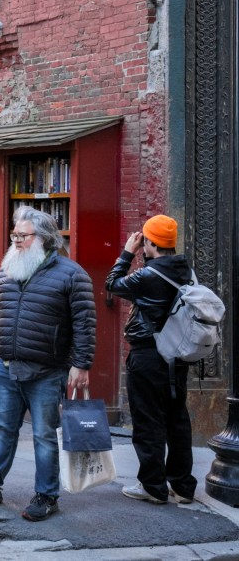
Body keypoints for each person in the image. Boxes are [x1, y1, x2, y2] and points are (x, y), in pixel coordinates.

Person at [0, 206, 95, 522]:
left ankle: (47, 496)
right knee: (4, 429)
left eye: (22, 235)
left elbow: (84, 323)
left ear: (44, 238)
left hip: (47, 370)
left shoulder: (72, 274)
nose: (15, 240)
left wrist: (81, 364)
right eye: (14, 234)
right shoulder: (7, 269)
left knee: (44, 435)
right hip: (5, 367)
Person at [105, 214, 197, 505]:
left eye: (144, 240)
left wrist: (126, 253)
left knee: (148, 422)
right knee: (177, 421)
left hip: (148, 356)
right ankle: (182, 486)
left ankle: (153, 487)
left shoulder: (147, 276)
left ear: (151, 243)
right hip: (176, 357)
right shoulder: (186, 271)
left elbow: (112, 283)